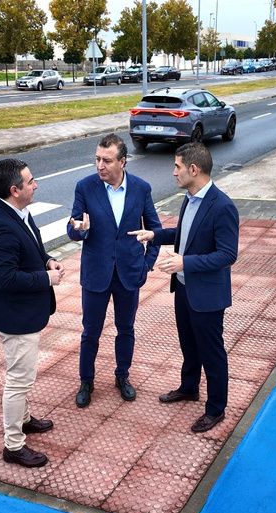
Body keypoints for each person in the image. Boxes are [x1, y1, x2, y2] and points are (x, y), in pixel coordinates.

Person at [129, 142, 239, 433]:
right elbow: (186, 234)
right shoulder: (189, 199)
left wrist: (184, 263)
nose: (174, 172)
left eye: (177, 167)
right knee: (189, 346)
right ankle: (189, 387)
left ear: (194, 169)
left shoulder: (223, 206)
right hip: (184, 289)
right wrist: (154, 234)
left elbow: (228, 254)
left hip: (207, 295)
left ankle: (216, 409)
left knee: (212, 352)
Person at [0, 158, 64, 468]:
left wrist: (47, 262)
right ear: (15, 190)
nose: (36, 184)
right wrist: (46, 279)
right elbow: (5, 278)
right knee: (18, 382)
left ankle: (25, 419)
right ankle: (13, 445)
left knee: (23, 377)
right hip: (15, 319)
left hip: (25, 313)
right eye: (30, 181)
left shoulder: (17, 212)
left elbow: (30, 250)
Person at [67, 134, 161, 408]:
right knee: (90, 332)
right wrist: (78, 229)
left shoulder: (141, 189)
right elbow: (72, 227)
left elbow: (154, 230)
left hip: (129, 273)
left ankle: (122, 376)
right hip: (96, 273)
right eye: (97, 159)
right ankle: (86, 381)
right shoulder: (85, 187)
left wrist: (147, 264)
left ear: (123, 161)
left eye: (106, 160)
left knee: (126, 329)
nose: (99, 166)